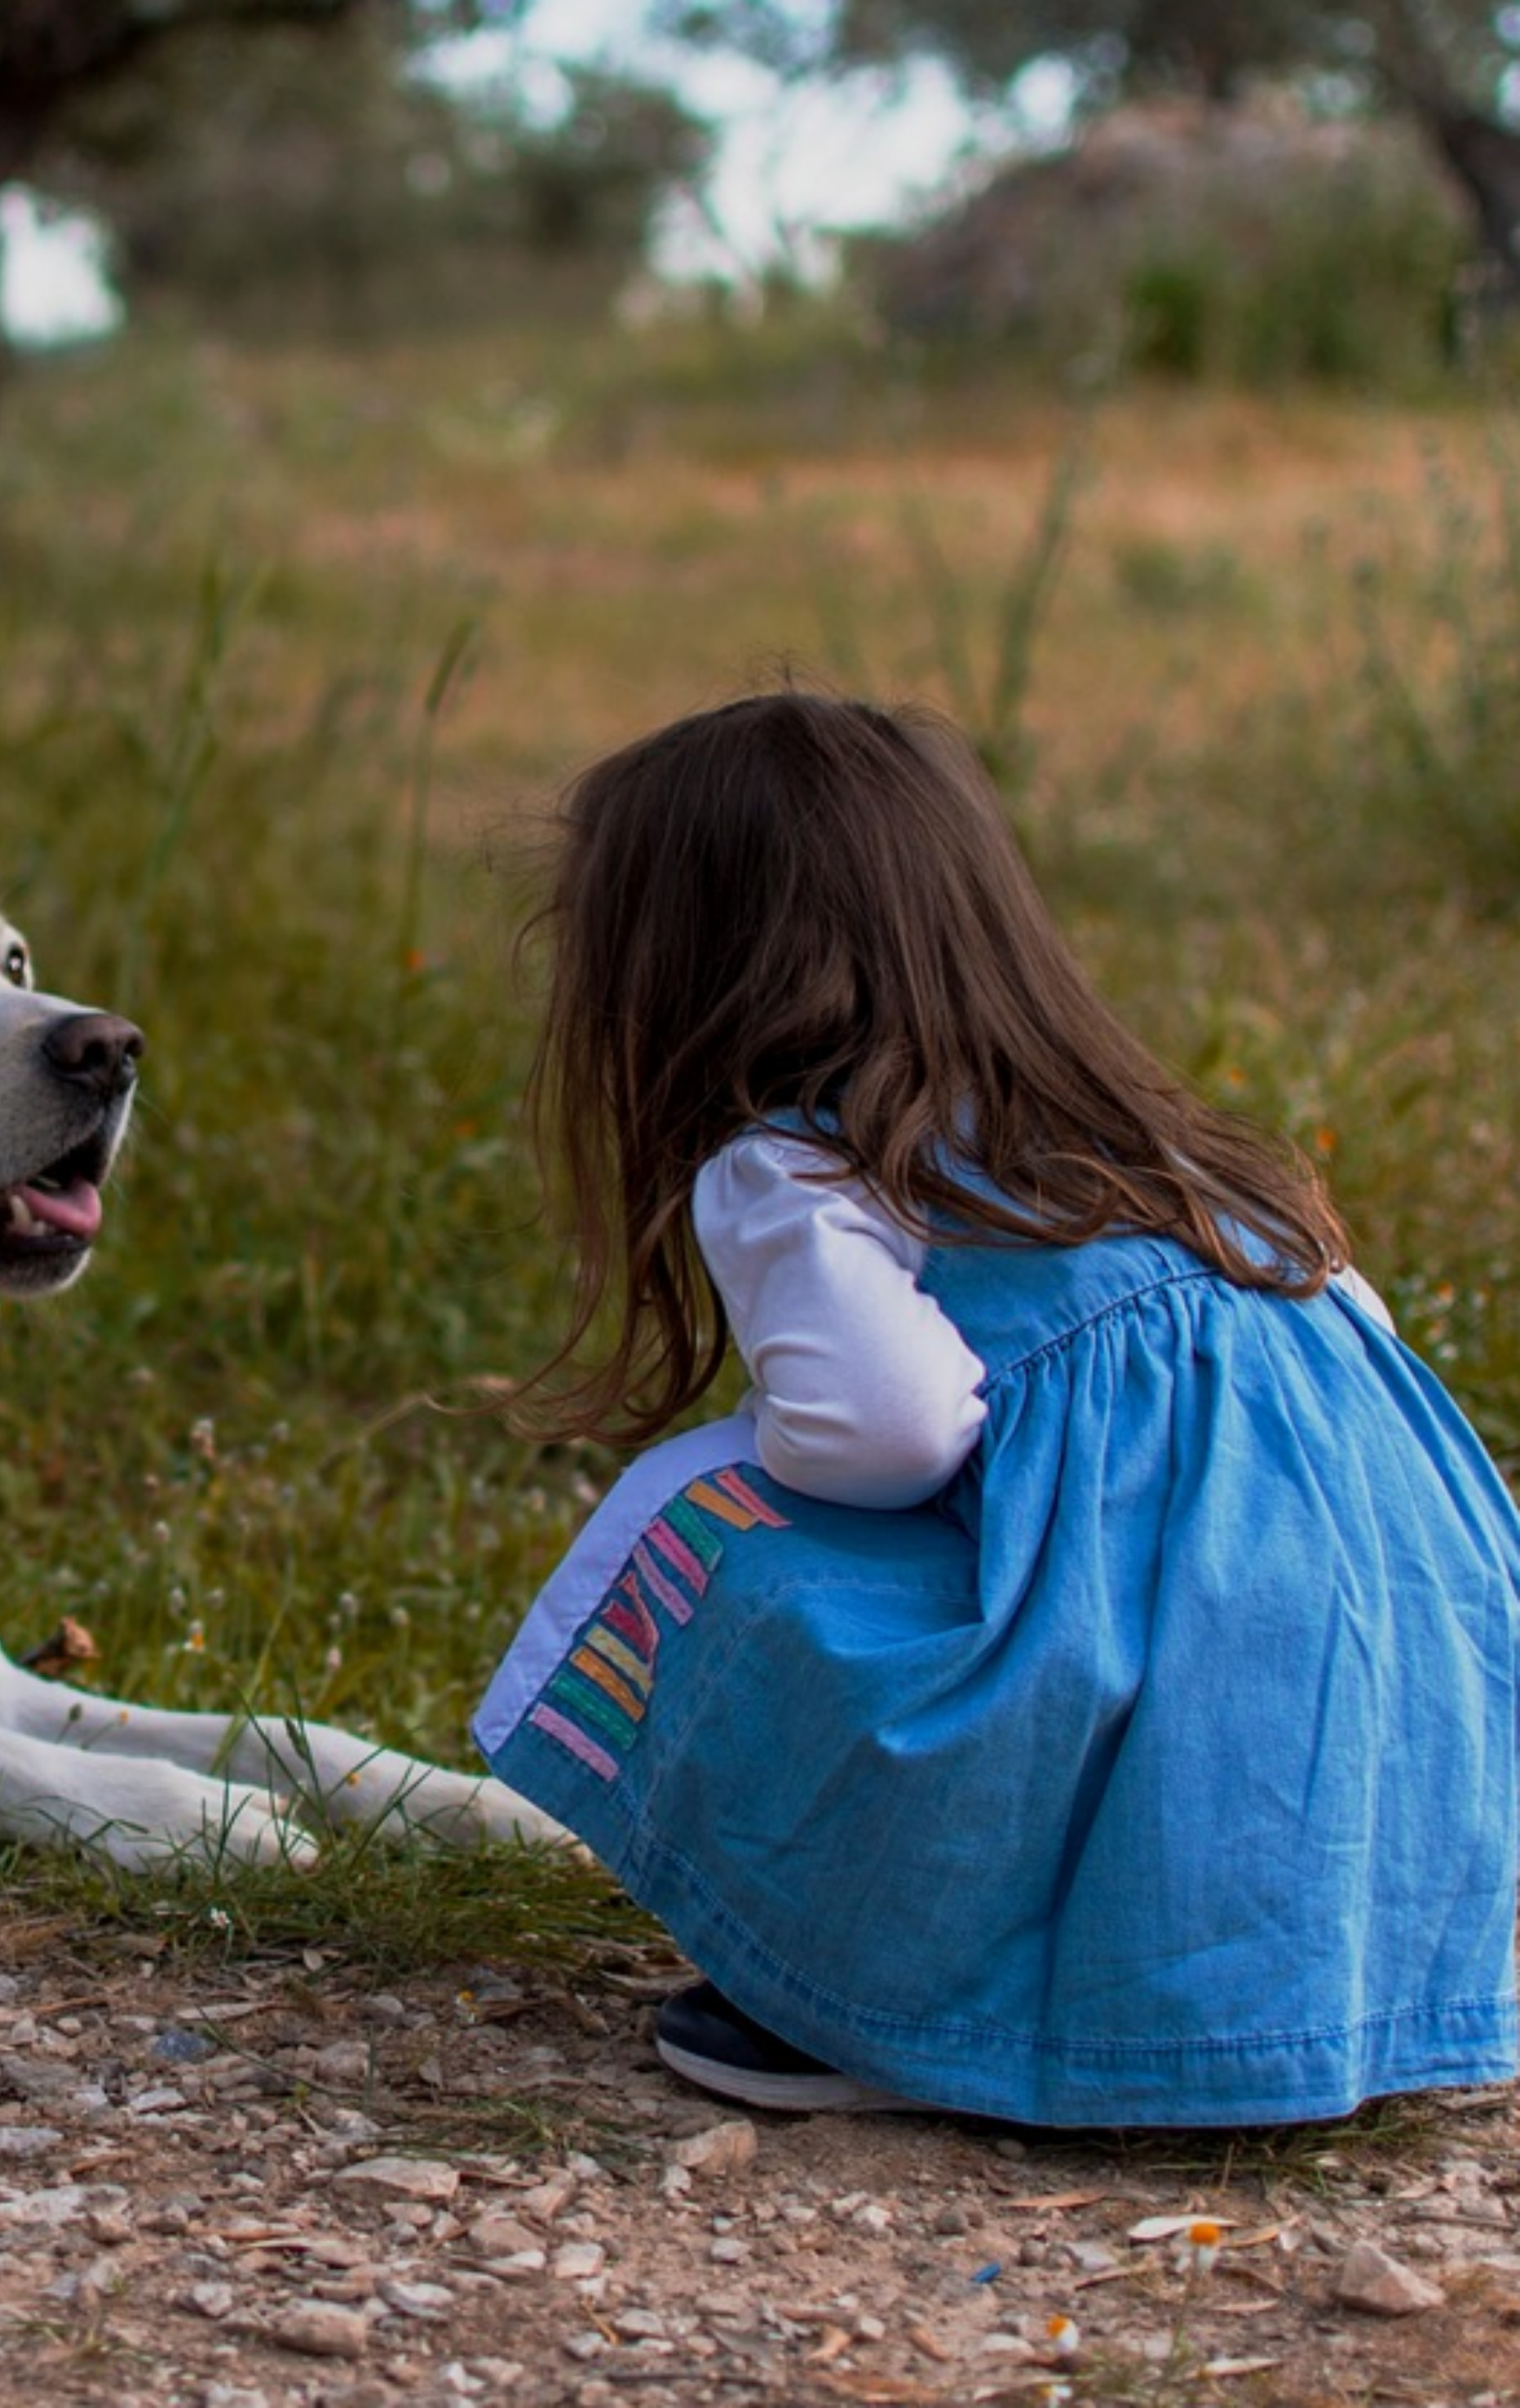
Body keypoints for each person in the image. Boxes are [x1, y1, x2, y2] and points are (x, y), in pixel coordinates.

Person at [472, 687, 1520, 2125]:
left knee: (721, 1523)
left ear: (686, 975)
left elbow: (891, 1432)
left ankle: (881, 1993)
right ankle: (1322, 1986)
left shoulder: (801, 1165)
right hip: (1403, 1700)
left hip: (1163, 1701)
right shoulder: (1171, 1151)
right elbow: (1359, 1374)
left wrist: (773, 1454)